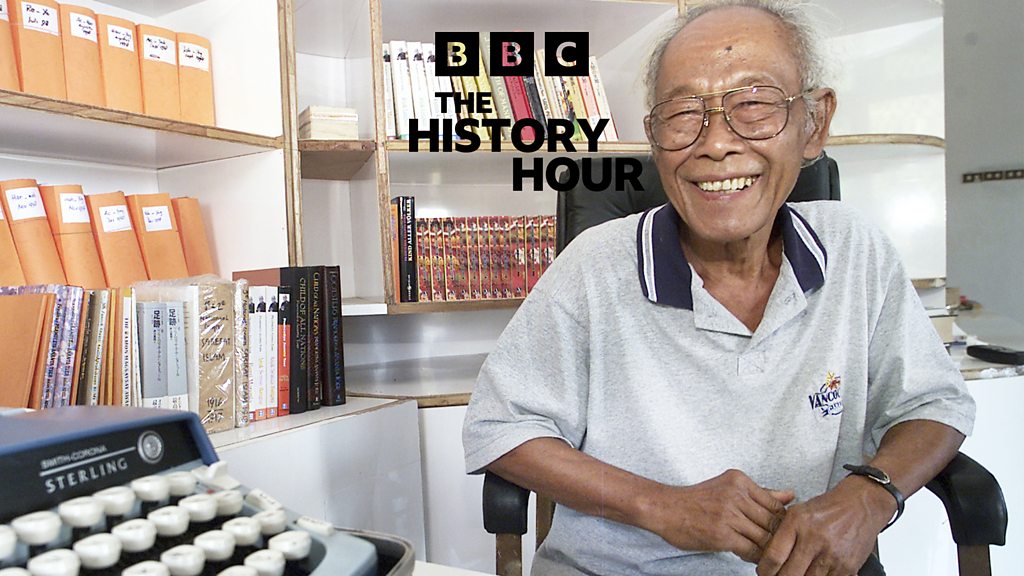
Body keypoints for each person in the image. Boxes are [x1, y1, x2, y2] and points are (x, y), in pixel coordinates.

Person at [462, 1, 976, 575]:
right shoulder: (594, 264)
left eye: (753, 105)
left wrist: (871, 494)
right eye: (683, 113)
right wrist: (662, 506)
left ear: (814, 124)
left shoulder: (855, 249)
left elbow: (933, 402)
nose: (716, 144)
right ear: (654, 138)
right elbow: (499, 427)